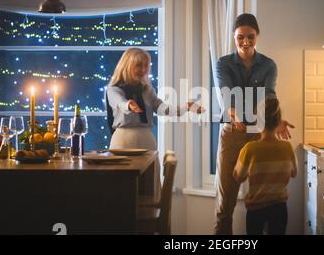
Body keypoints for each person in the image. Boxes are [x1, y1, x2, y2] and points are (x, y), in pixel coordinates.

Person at [213, 13, 294, 235]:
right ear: (233, 36)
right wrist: (234, 113)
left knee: (266, 202)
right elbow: (225, 93)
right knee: (225, 203)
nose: (246, 42)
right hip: (233, 132)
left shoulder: (268, 65)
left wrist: (274, 120)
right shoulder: (223, 64)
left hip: (259, 133)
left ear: (257, 36)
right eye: (240, 37)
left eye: (251, 36)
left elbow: (269, 95)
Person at [106, 47, 201, 199]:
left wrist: (186, 107)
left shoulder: (147, 90)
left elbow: (162, 109)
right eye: (139, 65)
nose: (143, 69)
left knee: (148, 184)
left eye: (146, 65)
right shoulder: (113, 90)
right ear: (127, 65)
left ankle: (147, 220)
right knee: (121, 187)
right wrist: (129, 105)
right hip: (123, 141)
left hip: (146, 140)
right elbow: (119, 102)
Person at [233, 98, 297, 235]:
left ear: (258, 122)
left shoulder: (249, 149)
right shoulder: (287, 147)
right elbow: (294, 173)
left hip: (256, 210)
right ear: (278, 121)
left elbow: (238, 177)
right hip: (279, 208)